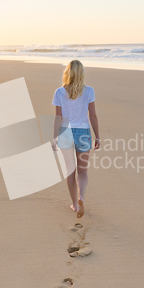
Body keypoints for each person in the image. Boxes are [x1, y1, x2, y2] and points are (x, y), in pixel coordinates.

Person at [51, 60, 100, 218]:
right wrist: (97, 136)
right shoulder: (89, 91)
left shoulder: (59, 92)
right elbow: (92, 115)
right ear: (82, 73)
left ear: (68, 73)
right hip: (84, 132)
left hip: (66, 132)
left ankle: (74, 205)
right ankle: (81, 197)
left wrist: (54, 138)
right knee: (83, 171)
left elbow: (58, 118)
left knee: (70, 171)